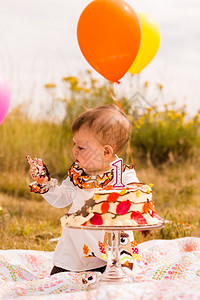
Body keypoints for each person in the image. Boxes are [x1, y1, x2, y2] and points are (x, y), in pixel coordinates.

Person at [27, 104, 139, 275]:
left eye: (81, 147)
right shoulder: (79, 174)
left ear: (106, 151)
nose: (74, 151)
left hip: (110, 247)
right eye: (74, 144)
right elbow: (62, 198)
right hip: (77, 249)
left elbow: (136, 193)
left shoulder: (122, 173)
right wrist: (45, 183)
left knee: (117, 280)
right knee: (58, 278)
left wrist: (129, 193)